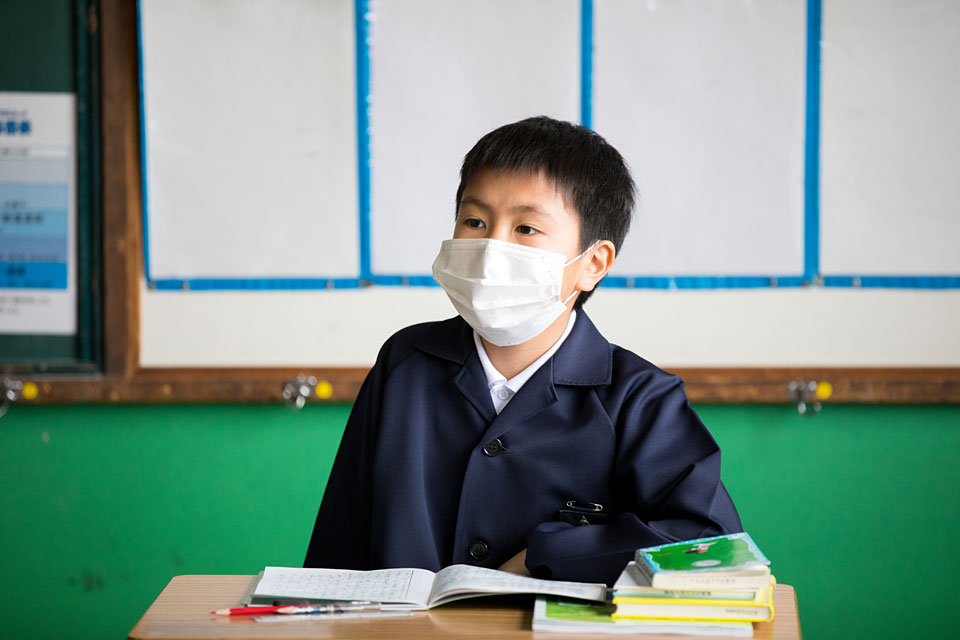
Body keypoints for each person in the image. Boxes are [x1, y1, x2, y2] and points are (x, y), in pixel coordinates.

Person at [304, 116, 742, 585]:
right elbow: (338, 545)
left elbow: (710, 541)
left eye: (527, 228)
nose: (491, 247)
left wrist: (548, 554)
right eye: (475, 221)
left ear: (593, 264)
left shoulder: (641, 397)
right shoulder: (405, 361)